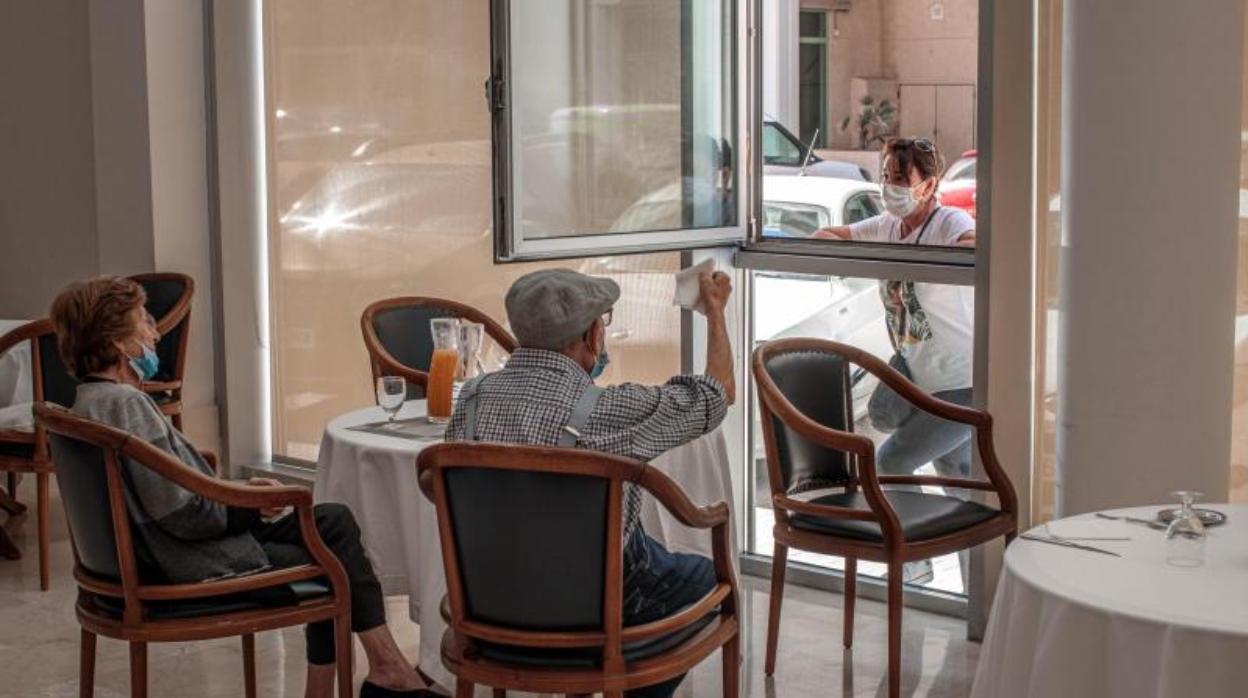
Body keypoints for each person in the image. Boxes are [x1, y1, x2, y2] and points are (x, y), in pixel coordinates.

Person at [49, 276, 435, 698]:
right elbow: (182, 514)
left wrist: (241, 492)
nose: (156, 333)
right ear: (119, 342)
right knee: (332, 555)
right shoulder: (127, 404)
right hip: (178, 563)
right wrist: (252, 506)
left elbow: (173, 486)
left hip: (140, 560)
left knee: (331, 524)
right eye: (144, 322)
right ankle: (385, 671)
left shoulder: (88, 402)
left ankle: (370, 675)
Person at [445, 267, 735, 698]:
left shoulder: (470, 400)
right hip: (594, 610)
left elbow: (441, 491)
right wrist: (715, 311)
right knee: (705, 576)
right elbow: (718, 393)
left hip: (489, 605)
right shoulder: (609, 411)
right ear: (591, 336)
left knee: (635, 544)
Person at [815, 137, 976, 585]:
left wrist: (929, 258)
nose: (890, 187)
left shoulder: (948, 220)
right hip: (919, 371)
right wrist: (824, 242)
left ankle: (916, 563)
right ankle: (972, 587)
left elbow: (974, 243)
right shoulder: (887, 224)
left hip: (962, 381)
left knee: (893, 462)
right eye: (886, 177)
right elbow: (831, 235)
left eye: (901, 179)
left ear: (929, 185)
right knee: (946, 466)